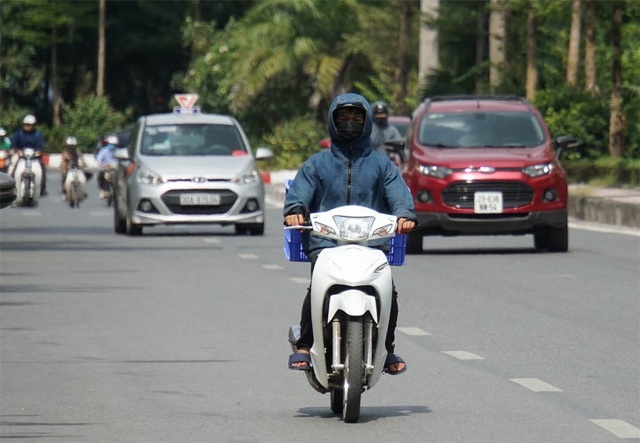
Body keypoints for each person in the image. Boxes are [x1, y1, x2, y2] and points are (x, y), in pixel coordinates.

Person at [284, 93, 417, 374]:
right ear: (332, 121)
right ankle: (305, 345)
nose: (350, 122)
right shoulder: (316, 164)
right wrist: (295, 210)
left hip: (371, 244)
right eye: (343, 117)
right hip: (326, 243)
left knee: (387, 292)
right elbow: (299, 195)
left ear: (367, 122)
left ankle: (387, 349)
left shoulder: (382, 165)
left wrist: (405, 215)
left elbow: (399, 195)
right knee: (316, 287)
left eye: (357, 117)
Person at [10, 114, 48, 195]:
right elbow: (13, 145)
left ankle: (42, 188)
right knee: (12, 167)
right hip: (20, 155)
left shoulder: (38, 134)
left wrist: (38, 152)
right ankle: (11, 187)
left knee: (42, 168)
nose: (27, 126)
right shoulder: (18, 134)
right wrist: (15, 150)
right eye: (26, 124)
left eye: (29, 125)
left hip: (34, 156)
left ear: (33, 125)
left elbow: (40, 145)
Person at [96, 134, 118, 199]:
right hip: (107, 168)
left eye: (114, 144)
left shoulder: (118, 150)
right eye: (111, 144)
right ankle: (104, 190)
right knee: (101, 176)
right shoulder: (104, 151)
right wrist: (103, 164)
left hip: (116, 168)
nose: (113, 146)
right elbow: (99, 160)